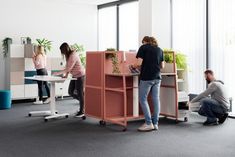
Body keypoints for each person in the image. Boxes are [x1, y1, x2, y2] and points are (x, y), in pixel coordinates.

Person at [136, 36, 165, 131]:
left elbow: (139, 63)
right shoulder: (160, 50)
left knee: (143, 99)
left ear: (145, 41)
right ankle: (155, 123)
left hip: (147, 77)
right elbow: (162, 66)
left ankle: (149, 123)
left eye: (142, 42)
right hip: (157, 78)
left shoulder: (143, 48)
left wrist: (132, 65)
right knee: (156, 100)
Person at [53, 42, 85, 117]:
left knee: (80, 93)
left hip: (80, 75)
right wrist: (66, 75)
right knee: (70, 92)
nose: (62, 53)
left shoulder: (73, 55)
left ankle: (82, 111)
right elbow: (68, 66)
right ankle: (84, 103)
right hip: (74, 76)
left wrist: (57, 73)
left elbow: (68, 68)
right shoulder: (69, 55)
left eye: (62, 52)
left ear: (65, 50)